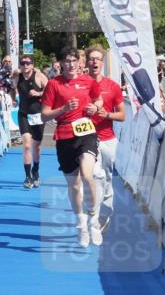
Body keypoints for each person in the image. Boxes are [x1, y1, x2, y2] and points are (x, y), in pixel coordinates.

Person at [41, 48, 104, 248]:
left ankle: (94, 218)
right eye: (66, 61)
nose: (70, 64)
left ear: (79, 62)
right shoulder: (54, 84)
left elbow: (98, 99)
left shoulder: (89, 81)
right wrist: (64, 109)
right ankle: (81, 224)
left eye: (73, 60)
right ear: (61, 63)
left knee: (87, 175)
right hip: (64, 136)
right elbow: (44, 115)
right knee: (74, 185)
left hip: (86, 132)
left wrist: (95, 107)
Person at [85, 45, 126, 228]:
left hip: (108, 139)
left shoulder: (113, 87)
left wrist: (106, 115)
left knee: (107, 178)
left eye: (98, 59)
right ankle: (93, 214)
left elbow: (122, 115)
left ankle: (105, 213)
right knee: (93, 176)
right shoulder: (80, 84)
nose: (94, 62)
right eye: (91, 58)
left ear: (102, 63)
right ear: (86, 62)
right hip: (87, 139)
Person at [14, 55, 48, 188]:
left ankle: (36, 170)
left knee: (36, 147)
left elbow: (51, 90)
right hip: (23, 114)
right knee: (27, 145)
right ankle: (27, 177)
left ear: (32, 65)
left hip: (38, 116)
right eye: (23, 63)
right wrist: (13, 98)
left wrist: (39, 94)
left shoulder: (39, 76)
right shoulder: (17, 77)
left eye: (28, 63)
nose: (25, 65)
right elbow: (12, 89)